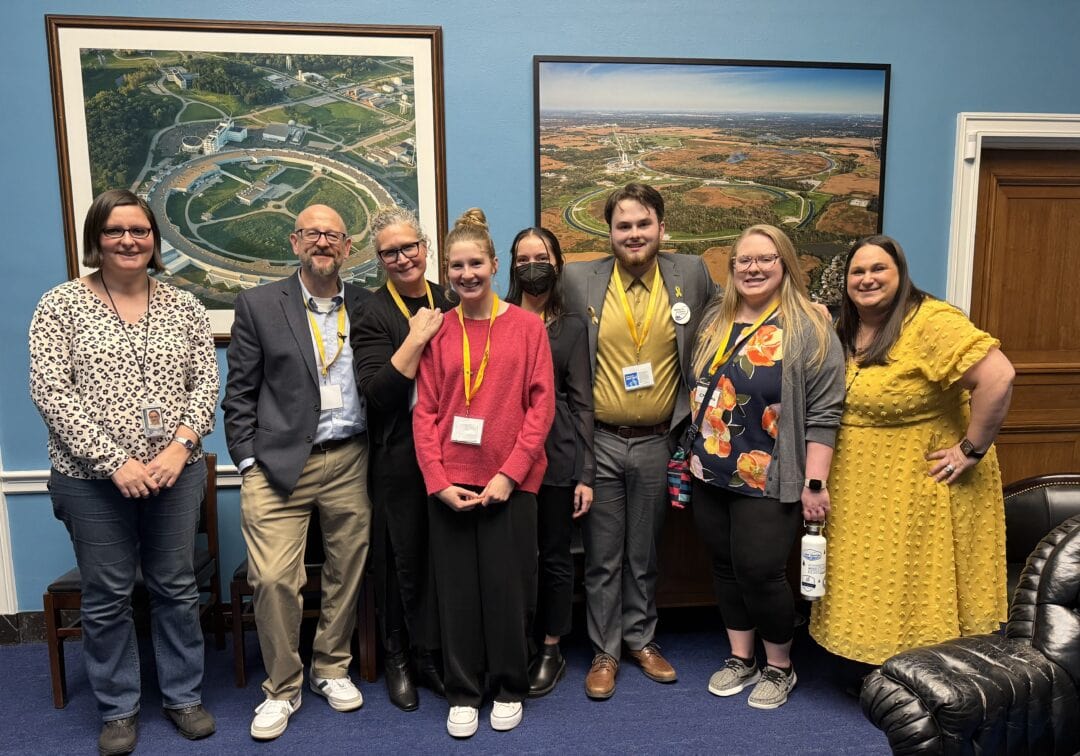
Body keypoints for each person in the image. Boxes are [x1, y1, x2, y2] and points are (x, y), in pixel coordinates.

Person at [29, 189, 219, 755]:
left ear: (155, 240)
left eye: (139, 230)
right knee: (108, 594)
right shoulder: (60, 305)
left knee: (176, 588)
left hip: (173, 473)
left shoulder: (183, 305)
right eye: (115, 231)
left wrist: (179, 450)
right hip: (89, 480)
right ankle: (118, 709)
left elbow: (204, 385)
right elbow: (51, 392)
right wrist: (116, 463)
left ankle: (184, 697)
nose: (129, 241)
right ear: (97, 240)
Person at [810, 235, 1015, 669]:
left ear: (900, 273)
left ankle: (926, 671)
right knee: (870, 577)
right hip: (860, 483)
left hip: (921, 481)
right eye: (857, 272)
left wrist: (970, 450)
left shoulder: (931, 321)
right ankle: (870, 664)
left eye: (878, 269)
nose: (867, 279)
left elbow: (998, 376)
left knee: (916, 578)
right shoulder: (845, 327)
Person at [223, 204, 373, 740]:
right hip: (279, 463)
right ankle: (283, 686)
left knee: (347, 566)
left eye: (333, 235)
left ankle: (331, 667)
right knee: (273, 578)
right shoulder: (261, 305)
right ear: (295, 242)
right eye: (313, 234)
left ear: (348, 248)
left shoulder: (366, 303)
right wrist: (246, 461)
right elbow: (238, 392)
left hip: (350, 456)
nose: (323, 242)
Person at [561, 182, 715, 699]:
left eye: (643, 224)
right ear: (608, 232)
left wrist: (807, 316)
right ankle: (605, 650)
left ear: (661, 228)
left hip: (658, 442)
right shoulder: (578, 279)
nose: (633, 234)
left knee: (645, 552)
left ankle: (641, 638)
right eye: (623, 225)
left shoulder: (690, 274)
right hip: (599, 440)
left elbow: (733, 318)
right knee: (603, 555)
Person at [687, 224, 844, 710]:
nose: (753, 268)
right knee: (726, 567)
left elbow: (824, 413)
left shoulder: (811, 328)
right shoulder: (715, 320)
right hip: (709, 469)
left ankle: (780, 666)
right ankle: (741, 658)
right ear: (731, 268)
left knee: (761, 572)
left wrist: (815, 483)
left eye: (765, 259)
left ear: (785, 265)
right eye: (743, 260)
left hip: (770, 474)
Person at [413, 209, 555, 737]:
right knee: (457, 593)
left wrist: (510, 474)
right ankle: (464, 691)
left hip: (510, 484)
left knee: (508, 589)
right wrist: (438, 480)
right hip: (451, 483)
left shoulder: (527, 327)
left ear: (496, 266)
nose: (466, 274)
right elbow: (425, 413)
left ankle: (510, 685)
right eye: (456, 266)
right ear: (446, 273)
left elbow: (541, 409)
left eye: (476, 263)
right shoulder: (438, 331)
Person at [354, 206, 450, 711]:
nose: (402, 257)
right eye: (390, 251)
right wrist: (416, 337)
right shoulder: (372, 311)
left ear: (425, 247)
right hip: (398, 455)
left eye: (409, 246)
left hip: (450, 450)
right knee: (398, 559)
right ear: (379, 259)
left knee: (437, 556)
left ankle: (429, 654)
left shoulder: (449, 298)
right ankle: (397, 659)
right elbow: (378, 393)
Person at [506, 227, 595, 697]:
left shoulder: (572, 326)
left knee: (556, 557)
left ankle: (551, 647)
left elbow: (582, 403)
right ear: (511, 266)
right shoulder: (497, 318)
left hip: (557, 456)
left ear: (557, 263)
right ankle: (514, 640)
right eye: (523, 259)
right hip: (504, 458)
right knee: (516, 557)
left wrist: (586, 473)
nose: (532, 265)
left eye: (541, 257)